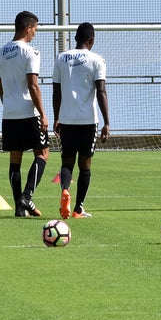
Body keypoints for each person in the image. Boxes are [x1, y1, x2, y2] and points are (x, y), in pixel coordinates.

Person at [52, 22, 110, 219]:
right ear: (91, 40)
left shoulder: (61, 58)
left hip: (67, 119)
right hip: (87, 121)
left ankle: (65, 190)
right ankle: (78, 208)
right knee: (85, 164)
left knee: (67, 161)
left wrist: (57, 116)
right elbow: (101, 91)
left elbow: (56, 90)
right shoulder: (97, 60)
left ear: (76, 38)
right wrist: (107, 122)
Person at [0, 11, 49, 217]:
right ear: (27, 27)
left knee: (15, 159)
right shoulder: (30, 52)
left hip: (9, 113)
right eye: (35, 29)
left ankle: (19, 208)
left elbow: (0, 86)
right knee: (43, 153)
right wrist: (43, 113)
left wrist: (9, 104)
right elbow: (33, 85)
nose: (35, 33)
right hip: (29, 111)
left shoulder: (0, 53)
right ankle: (26, 197)